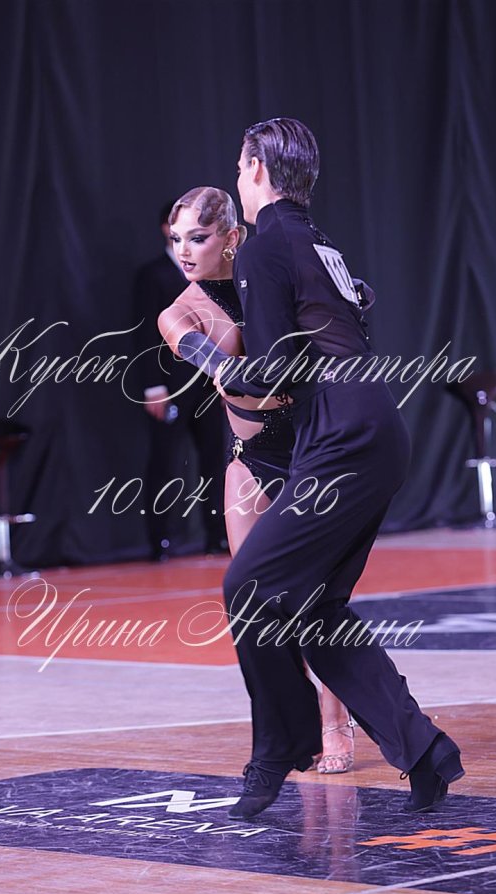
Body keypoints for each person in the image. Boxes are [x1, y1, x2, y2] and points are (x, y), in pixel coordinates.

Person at [212, 119, 464, 817]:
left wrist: (212, 363)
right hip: (377, 430)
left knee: (247, 586)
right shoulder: (319, 242)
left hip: (343, 437)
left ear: (257, 168)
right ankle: (425, 754)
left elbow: (276, 371)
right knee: (316, 609)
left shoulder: (264, 246)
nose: (237, 177)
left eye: (239, 165)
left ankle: (279, 746)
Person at [158, 186, 356, 775]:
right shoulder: (180, 312)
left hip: (311, 452)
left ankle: (335, 721)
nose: (184, 251)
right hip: (251, 460)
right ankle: (288, 728)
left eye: (198, 237)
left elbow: (348, 306)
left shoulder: (271, 277)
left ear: (231, 237)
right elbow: (228, 372)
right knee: (255, 603)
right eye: (176, 239)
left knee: (316, 600)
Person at [133, 201, 227, 559]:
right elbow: (145, 334)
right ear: (167, 230)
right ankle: (159, 539)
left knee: (214, 460)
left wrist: (226, 374)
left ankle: (217, 535)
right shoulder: (153, 275)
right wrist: (153, 386)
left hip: (208, 382)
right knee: (165, 461)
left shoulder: (210, 273)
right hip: (171, 384)